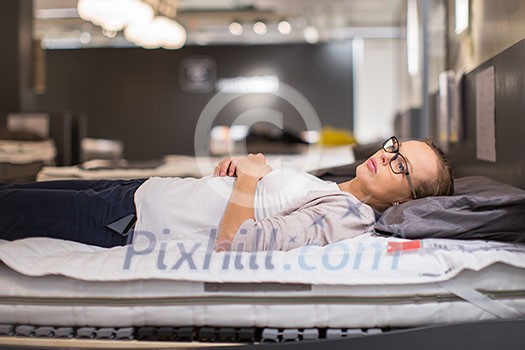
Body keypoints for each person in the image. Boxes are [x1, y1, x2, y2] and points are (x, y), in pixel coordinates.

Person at [0, 136, 453, 251]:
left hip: (129, 220)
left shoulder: (347, 215)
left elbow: (237, 244)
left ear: (404, 201)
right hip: (142, 193)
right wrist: (237, 174)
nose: (387, 155)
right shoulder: (336, 187)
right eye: (395, 147)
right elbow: (253, 201)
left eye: (402, 166)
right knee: (13, 192)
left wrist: (249, 180)